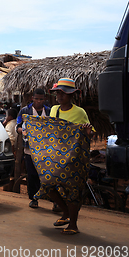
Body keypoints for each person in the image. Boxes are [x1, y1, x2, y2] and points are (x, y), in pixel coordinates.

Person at [43, 78, 94, 235]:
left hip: (73, 158)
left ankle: (73, 224)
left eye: (63, 93)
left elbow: (89, 134)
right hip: (56, 157)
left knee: (72, 190)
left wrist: (87, 132)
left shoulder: (80, 112)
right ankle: (65, 212)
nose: (59, 96)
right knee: (47, 184)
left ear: (71, 95)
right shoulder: (54, 110)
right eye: (58, 93)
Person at [16, 89, 51, 209]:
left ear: (45, 99)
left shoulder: (49, 111)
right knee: (32, 174)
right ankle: (34, 199)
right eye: (37, 99)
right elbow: (18, 127)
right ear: (32, 98)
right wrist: (23, 131)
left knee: (46, 174)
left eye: (41, 99)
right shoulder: (25, 111)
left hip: (46, 149)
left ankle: (50, 198)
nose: (39, 101)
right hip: (29, 149)